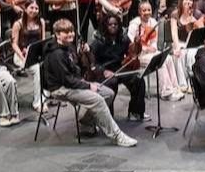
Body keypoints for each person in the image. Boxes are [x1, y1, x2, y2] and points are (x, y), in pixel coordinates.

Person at [42, 18, 137, 147]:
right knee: (97, 99)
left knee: (108, 93)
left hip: (73, 82)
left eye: (71, 31)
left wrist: (85, 53)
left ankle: (85, 121)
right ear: (57, 35)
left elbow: (76, 70)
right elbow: (67, 81)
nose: (70, 34)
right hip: (61, 88)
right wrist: (88, 85)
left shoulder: (68, 47)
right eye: (65, 32)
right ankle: (117, 136)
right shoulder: (56, 54)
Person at [90, 15, 148, 122]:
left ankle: (135, 112)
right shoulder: (98, 42)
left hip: (119, 68)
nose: (113, 26)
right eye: (110, 24)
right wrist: (103, 71)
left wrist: (136, 44)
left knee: (138, 80)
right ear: (105, 26)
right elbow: (92, 63)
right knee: (111, 83)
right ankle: (107, 118)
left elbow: (132, 53)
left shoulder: (123, 38)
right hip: (104, 70)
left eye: (115, 24)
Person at [127, 1, 184, 101]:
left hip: (150, 52)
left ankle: (175, 88)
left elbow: (154, 41)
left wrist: (152, 48)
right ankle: (166, 92)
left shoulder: (153, 22)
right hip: (138, 55)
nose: (147, 12)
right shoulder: (134, 24)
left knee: (168, 58)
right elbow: (130, 43)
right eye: (144, 10)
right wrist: (145, 48)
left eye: (149, 10)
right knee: (159, 62)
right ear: (140, 12)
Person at [11, 0, 46, 113]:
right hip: (20, 55)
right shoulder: (18, 24)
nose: (34, 10)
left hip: (36, 54)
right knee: (37, 69)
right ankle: (37, 102)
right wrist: (22, 56)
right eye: (31, 8)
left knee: (49, 65)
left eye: (36, 8)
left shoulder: (41, 22)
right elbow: (14, 44)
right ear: (25, 9)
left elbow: (43, 41)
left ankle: (44, 96)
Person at [169, 0, 202, 92]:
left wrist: (192, 19)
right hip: (181, 41)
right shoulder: (175, 14)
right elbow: (174, 33)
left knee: (191, 54)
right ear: (181, 0)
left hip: (194, 43)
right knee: (179, 54)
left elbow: (200, 32)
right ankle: (182, 83)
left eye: (190, 0)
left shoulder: (197, 14)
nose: (188, 2)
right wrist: (177, 46)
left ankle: (191, 83)